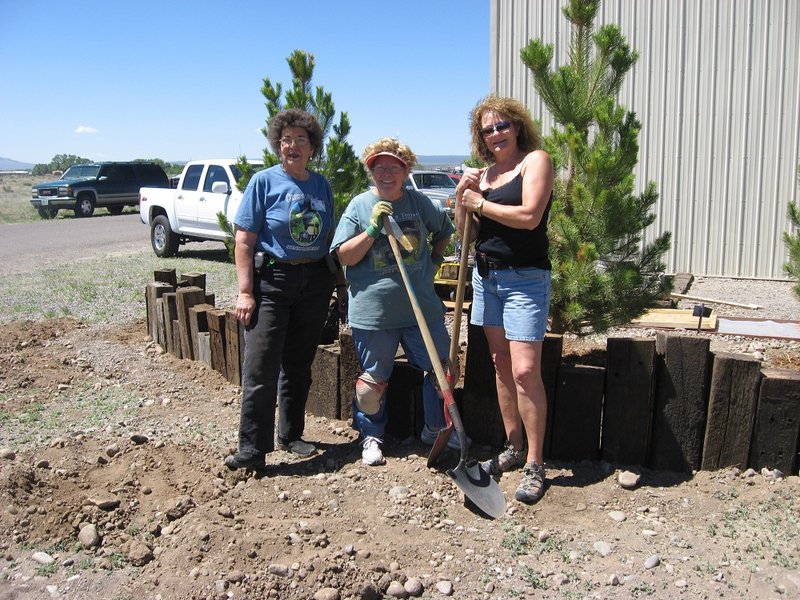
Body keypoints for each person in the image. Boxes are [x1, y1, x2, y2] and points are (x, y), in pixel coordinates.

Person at [331, 137, 464, 466]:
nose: (386, 172)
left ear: (406, 171)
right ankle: (371, 437)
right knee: (370, 386)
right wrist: (373, 229)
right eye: (378, 166)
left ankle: (437, 431)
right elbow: (344, 256)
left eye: (394, 166)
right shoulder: (360, 207)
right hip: (374, 313)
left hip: (422, 308)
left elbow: (445, 230)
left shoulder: (419, 204)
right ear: (370, 171)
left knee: (442, 372)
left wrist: (434, 260)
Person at [224, 108, 344, 471]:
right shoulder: (263, 182)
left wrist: (339, 286)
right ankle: (252, 450)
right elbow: (244, 240)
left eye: (301, 139)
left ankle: (291, 435)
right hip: (273, 282)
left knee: (299, 364)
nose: (293, 145)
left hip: (314, 283)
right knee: (261, 366)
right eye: (286, 139)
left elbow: (329, 238)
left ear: (312, 147)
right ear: (278, 146)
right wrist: (246, 292)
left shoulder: (321, 185)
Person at [454, 95, 554, 504]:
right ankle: (512, 447)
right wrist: (464, 196)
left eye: (502, 126)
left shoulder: (536, 161)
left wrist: (481, 202)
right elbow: (467, 234)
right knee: (500, 364)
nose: (496, 134)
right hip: (486, 278)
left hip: (525, 280)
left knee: (526, 371)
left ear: (516, 127)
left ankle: (535, 463)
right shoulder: (486, 175)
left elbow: (530, 216)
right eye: (487, 129)